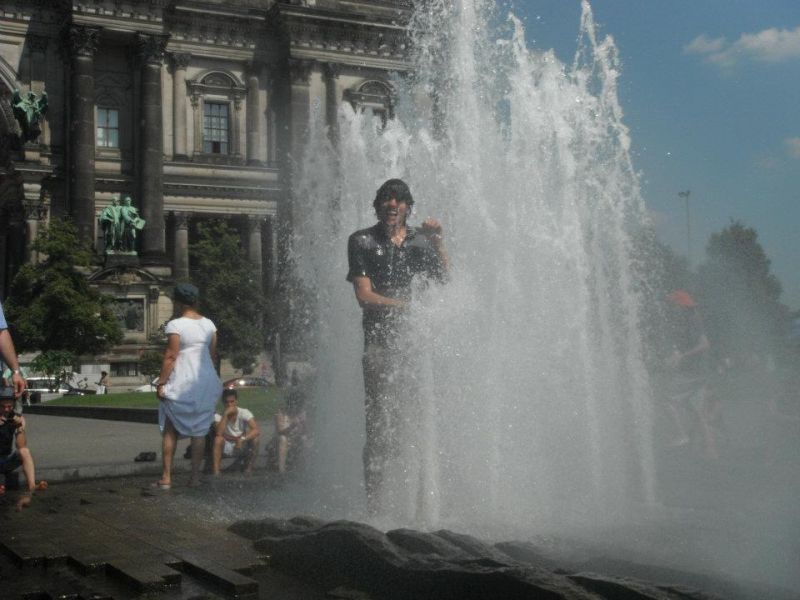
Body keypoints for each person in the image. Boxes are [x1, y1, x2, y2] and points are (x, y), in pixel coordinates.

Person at [346, 178, 448, 513]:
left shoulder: (421, 241)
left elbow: (445, 281)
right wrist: (408, 306)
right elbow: (365, 296)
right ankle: (376, 506)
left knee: (417, 425)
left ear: (407, 206)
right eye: (386, 200)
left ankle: (421, 506)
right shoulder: (361, 240)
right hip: (379, 346)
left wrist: (438, 242)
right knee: (379, 428)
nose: (392, 205)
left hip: (414, 346)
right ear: (377, 206)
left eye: (399, 200)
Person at [154, 283, 222, 488]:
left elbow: (171, 356)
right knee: (199, 431)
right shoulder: (210, 325)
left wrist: (161, 382)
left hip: (182, 380)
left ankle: (166, 477)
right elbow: (211, 355)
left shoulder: (176, 325)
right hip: (205, 381)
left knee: (170, 429)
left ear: (179, 302)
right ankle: (194, 478)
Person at [663, 289, 714, 456]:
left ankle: (681, 435)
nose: (670, 309)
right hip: (701, 371)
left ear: (680, 306)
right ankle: (711, 451)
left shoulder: (691, 320)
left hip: (693, 371)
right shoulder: (692, 319)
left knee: (667, 400)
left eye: (672, 305)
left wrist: (682, 357)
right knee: (696, 411)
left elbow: (705, 344)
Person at [0, 393, 47, 509]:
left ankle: (32, 486)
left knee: (24, 451)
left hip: (5, 460)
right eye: (3, 406)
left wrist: (19, 428)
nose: (6, 409)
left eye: (9, 407)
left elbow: (21, 445)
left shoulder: (16, 418)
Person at [211, 389, 260, 476]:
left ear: (236, 401)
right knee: (218, 439)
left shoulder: (244, 412)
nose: (229, 405)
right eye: (227, 402)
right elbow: (219, 433)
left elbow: (256, 430)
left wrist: (242, 439)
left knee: (256, 439)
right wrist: (225, 415)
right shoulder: (218, 415)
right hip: (227, 446)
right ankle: (216, 472)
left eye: (232, 401)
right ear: (223, 402)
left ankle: (249, 469)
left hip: (241, 443)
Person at [267, 378, 310, 476]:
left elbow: (305, 431)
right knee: (283, 439)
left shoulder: (301, 413)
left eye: (299, 405)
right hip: (280, 439)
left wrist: (303, 427)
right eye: (295, 404)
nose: (296, 407)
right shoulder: (281, 413)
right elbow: (280, 431)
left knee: (305, 440)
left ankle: (305, 469)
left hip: (296, 438)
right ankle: (282, 470)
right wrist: (292, 425)